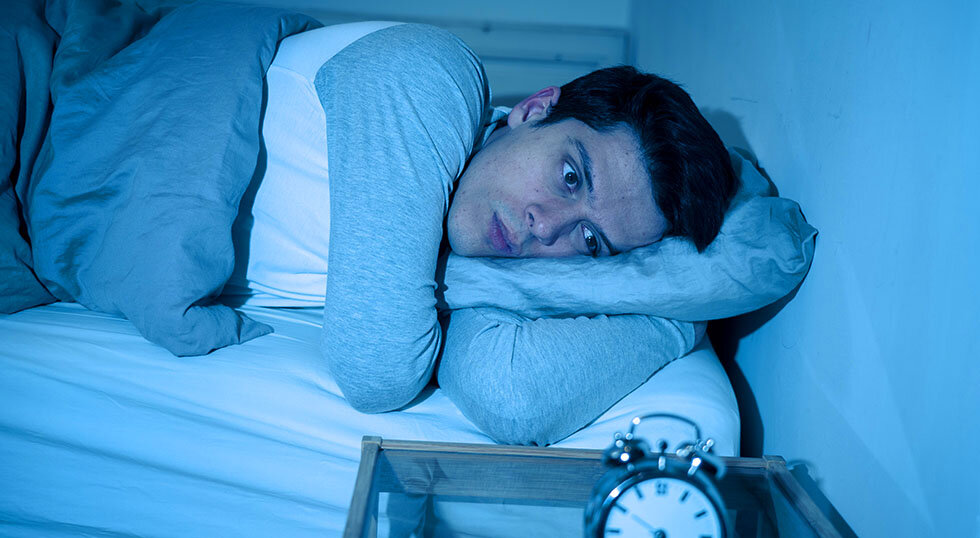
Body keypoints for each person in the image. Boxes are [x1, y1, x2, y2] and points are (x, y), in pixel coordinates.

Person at [230, 22, 737, 444]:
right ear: (534, 109)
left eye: (589, 240)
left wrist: (675, 310)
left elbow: (511, 397)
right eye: (570, 176)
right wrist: (680, 316)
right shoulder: (432, 76)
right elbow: (378, 374)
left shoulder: (491, 261)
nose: (547, 227)